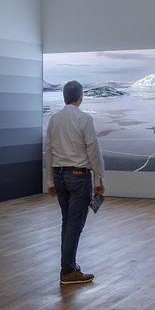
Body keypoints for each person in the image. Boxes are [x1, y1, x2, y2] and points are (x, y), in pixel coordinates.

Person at [45, 80, 105, 285]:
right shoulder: (84, 119)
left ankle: (68, 265)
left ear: (64, 96)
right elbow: (93, 151)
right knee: (75, 224)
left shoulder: (54, 119)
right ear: (81, 97)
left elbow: (48, 151)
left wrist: (50, 181)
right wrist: (98, 179)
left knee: (67, 221)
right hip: (79, 177)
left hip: (59, 176)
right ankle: (67, 270)